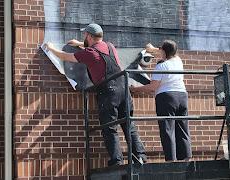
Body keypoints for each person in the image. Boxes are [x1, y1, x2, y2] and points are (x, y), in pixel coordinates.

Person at [43, 23, 147, 166]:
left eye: (84, 35)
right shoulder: (110, 46)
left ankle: (117, 161)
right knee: (128, 124)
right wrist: (80, 43)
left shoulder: (90, 53)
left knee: (110, 127)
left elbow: (65, 57)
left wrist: (51, 48)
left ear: (90, 36)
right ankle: (140, 157)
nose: (83, 37)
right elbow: (98, 50)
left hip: (109, 92)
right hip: (124, 89)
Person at [130, 40, 192, 162]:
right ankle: (186, 158)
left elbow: (152, 87)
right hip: (182, 96)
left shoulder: (161, 66)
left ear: (164, 51)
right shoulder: (178, 61)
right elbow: (169, 51)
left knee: (167, 129)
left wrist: (135, 89)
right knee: (183, 127)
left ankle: (171, 160)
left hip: (167, 98)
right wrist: (155, 49)